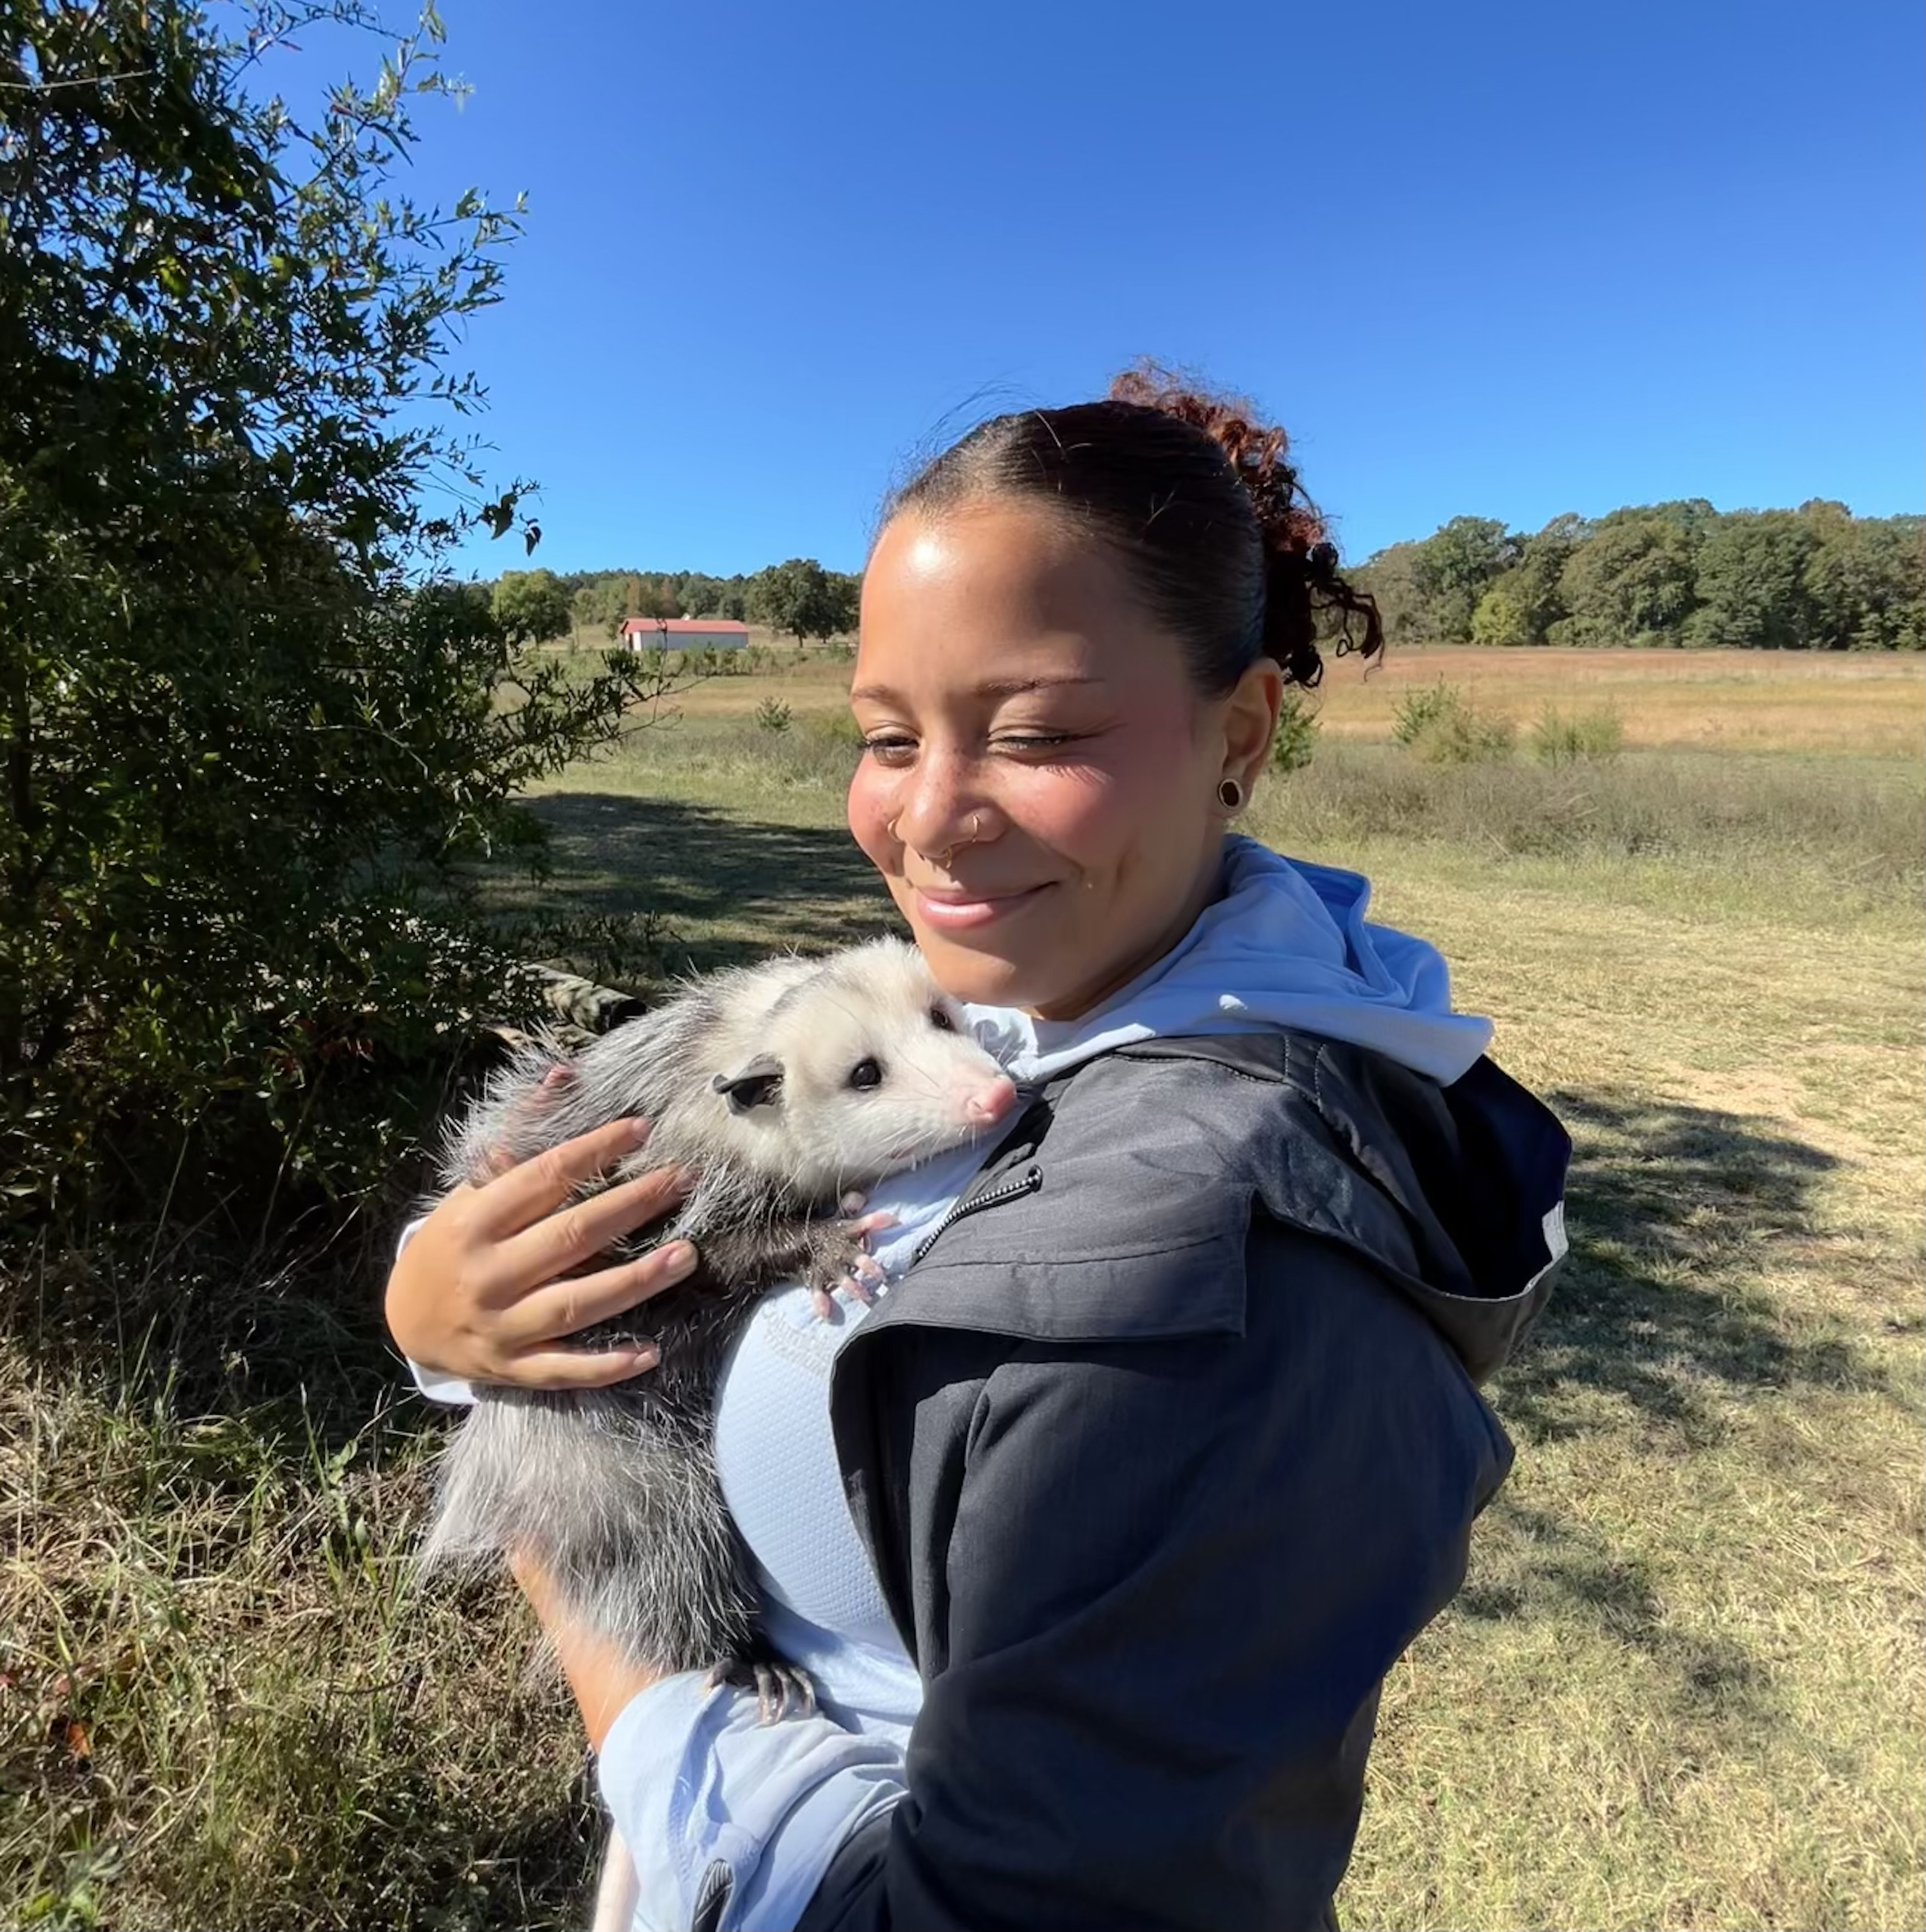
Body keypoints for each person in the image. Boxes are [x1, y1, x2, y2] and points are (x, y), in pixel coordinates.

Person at [385, 367, 1571, 1932]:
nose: (930, 821)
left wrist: (622, 1671)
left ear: (1243, 729)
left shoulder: (1216, 1275)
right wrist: (442, 1319)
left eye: (1037, 731)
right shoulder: (1044, 999)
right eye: (886, 735)